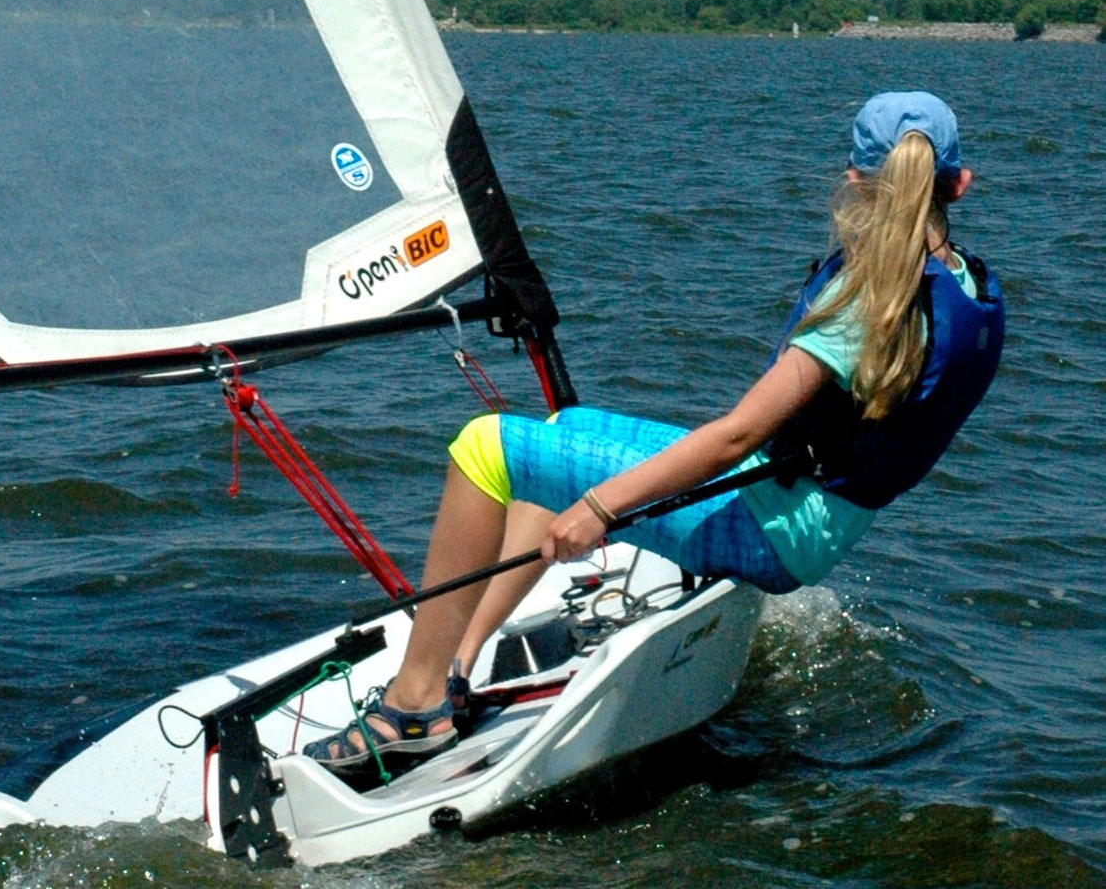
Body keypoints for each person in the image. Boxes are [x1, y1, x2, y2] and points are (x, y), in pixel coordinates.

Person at [304, 91, 1006, 777]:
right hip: (815, 519)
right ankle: (459, 662)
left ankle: (415, 703)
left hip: (772, 526)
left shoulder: (867, 304)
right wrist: (594, 496)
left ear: (855, 180)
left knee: (482, 447)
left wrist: (604, 508)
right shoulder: (967, 289)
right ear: (959, 185)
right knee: (562, 436)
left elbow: (736, 437)